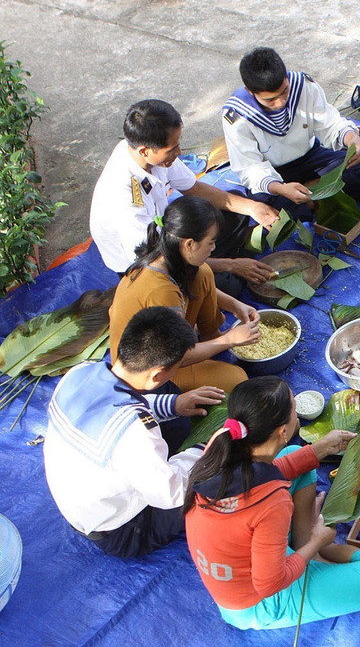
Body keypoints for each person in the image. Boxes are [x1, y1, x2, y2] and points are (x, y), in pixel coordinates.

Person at [183, 376, 360, 630]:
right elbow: (270, 584)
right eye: (294, 408)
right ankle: (314, 552)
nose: (296, 415)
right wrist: (317, 540)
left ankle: (308, 549)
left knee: (296, 457)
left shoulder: (222, 443)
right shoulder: (273, 501)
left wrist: (319, 449)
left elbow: (270, 472)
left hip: (246, 567)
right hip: (259, 602)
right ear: (283, 431)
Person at [44, 306, 225, 558]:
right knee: (210, 474)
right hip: (119, 531)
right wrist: (204, 449)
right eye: (178, 366)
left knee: (177, 419)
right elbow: (170, 493)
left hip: (81, 502)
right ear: (158, 374)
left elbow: (115, 404)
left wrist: (174, 404)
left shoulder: (80, 372)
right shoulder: (136, 432)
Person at [90, 99, 278, 292]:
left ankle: (211, 256)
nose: (179, 153)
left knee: (236, 209)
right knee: (232, 286)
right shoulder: (124, 198)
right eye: (171, 150)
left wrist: (253, 207)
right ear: (144, 151)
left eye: (178, 145)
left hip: (168, 233)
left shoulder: (145, 152)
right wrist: (231, 264)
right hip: (148, 262)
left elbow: (195, 188)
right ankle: (217, 261)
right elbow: (157, 258)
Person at [109, 196, 260, 394]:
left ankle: (210, 337)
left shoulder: (168, 256)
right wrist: (229, 340)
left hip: (167, 345)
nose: (214, 248)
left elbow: (204, 285)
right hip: (150, 368)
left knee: (204, 272)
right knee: (237, 378)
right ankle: (212, 345)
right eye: (210, 242)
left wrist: (235, 305)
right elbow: (174, 356)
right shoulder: (161, 291)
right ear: (189, 244)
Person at [222, 47, 360, 216]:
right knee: (266, 205)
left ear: (286, 77)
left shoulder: (302, 86)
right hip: (275, 174)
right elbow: (250, 168)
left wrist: (350, 137)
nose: (280, 103)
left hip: (311, 157)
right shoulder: (238, 116)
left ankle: (311, 194)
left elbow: (329, 122)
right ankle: (320, 195)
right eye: (270, 100)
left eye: (284, 91)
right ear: (250, 91)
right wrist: (280, 188)